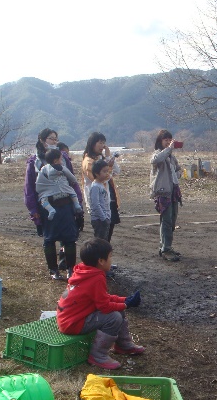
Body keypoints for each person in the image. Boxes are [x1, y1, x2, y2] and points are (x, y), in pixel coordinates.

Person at [56, 238, 144, 370]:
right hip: (73, 323)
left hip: (69, 318)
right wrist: (127, 305)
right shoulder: (97, 278)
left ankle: (123, 345)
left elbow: (102, 298)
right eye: (110, 257)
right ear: (101, 261)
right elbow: (105, 306)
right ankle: (97, 355)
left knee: (117, 311)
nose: (111, 260)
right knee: (114, 317)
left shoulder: (85, 271)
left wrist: (123, 300)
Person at [24, 128, 83, 280]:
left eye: (56, 139)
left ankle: (70, 268)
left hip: (66, 203)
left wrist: (78, 201)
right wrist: (33, 208)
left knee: (70, 237)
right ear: (42, 140)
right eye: (51, 139)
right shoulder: (34, 162)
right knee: (49, 238)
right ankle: (53, 270)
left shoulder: (63, 158)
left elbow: (73, 181)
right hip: (47, 205)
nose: (54, 142)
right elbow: (29, 187)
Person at [150, 129, 183, 262]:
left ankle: (165, 246)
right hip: (163, 192)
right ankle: (166, 249)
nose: (168, 142)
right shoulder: (158, 154)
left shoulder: (171, 157)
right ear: (160, 141)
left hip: (173, 191)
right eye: (166, 140)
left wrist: (178, 174)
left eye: (170, 140)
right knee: (166, 221)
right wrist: (169, 149)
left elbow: (178, 169)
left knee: (172, 219)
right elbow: (156, 160)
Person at [82, 132, 121, 242]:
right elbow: (103, 177)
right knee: (101, 237)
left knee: (108, 233)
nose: (103, 146)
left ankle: (105, 257)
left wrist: (108, 158)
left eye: (104, 143)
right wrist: (108, 163)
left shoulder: (101, 158)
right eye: (100, 142)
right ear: (92, 144)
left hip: (108, 199)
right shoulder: (89, 161)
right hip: (99, 203)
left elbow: (116, 172)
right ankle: (100, 257)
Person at [36, 148, 83, 220]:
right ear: (56, 160)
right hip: (65, 191)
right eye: (61, 159)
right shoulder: (62, 168)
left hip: (51, 194)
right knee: (73, 193)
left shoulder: (44, 169)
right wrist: (72, 182)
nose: (61, 161)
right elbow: (72, 178)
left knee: (43, 200)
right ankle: (77, 205)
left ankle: (50, 210)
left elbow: (40, 181)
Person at [89, 159, 112, 240]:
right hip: (99, 219)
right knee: (99, 241)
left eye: (107, 171)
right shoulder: (95, 186)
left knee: (104, 240)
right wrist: (103, 218)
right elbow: (95, 204)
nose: (107, 174)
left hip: (105, 218)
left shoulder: (101, 184)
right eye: (104, 171)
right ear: (96, 173)